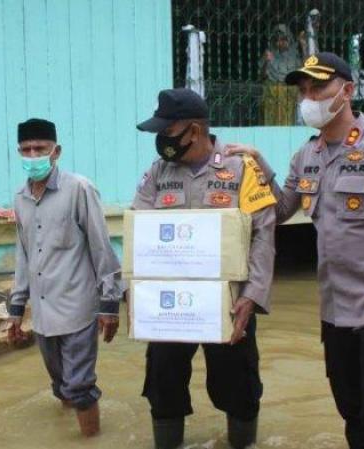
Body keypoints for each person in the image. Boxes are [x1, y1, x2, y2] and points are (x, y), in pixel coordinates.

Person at [228, 52, 364, 449]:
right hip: (334, 312)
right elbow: (282, 209)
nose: (309, 97)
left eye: (318, 87)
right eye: (304, 90)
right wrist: (258, 164)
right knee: (351, 410)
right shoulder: (307, 156)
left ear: (348, 90)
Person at [132, 88, 278, 449]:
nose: (160, 139)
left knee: (240, 387)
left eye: (166, 131)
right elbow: (139, 233)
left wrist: (252, 296)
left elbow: (263, 235)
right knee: (163, 385)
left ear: (194, 130)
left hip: (230, 304)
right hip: (169, 305)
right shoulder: (156, 174)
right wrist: (133, 295)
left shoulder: (241, 169)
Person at [7, 118, 124, 438]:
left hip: (78, 307)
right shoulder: (19, 198)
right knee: (60, 385)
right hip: (43, 313)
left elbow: (102, 248)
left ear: (55, 151)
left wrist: (110, 305)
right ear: (19, 152)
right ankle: (65, 436)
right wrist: (16, 308)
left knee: (80, 387)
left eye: (40, 149)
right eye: (26, 149)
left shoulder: (79, 189)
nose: (33, 155)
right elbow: (23, 254)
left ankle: (90, 441)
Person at [259, 24, 301, 125]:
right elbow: (262, 76)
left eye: (283, 40)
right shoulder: (270, 54)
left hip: (289, 99)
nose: (280, 43)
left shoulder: (295, 57)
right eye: (277, 40)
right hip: (273, 100)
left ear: (289, 39)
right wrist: (266, 61)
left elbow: (299, 76)